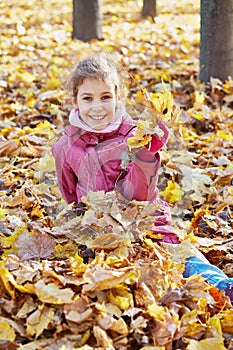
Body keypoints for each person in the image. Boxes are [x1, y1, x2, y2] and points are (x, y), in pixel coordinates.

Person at [52, 54, 233, 303]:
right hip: (101, 229)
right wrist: (83, 217)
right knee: (120, 270)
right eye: (88, 98)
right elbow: (69, 192)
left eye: (106, 97)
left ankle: (222, 285)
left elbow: (140, 194)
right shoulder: (65, 146)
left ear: (118, 98)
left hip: (146, 218)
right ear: (75, 102)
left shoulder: (138, 136)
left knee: (178, 251)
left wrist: (144, 154)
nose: (97, 106)